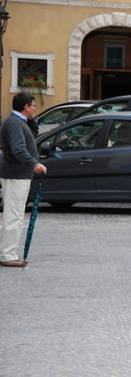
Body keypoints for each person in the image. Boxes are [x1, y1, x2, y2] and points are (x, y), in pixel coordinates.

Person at [0, 93, 48, 267]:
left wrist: (31, 117)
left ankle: (5, 251)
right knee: (13, 217)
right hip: (15, 175)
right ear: (26, 107)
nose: (35, 108)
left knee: (15, 216)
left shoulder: (19, 122)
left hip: (17, 174)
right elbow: (18, 149)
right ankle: (7, 255)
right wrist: (34, 163)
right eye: (33, 106)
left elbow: (32, 132)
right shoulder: (14, 123)